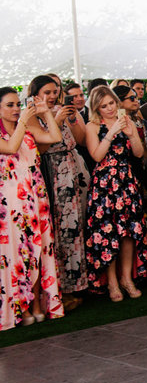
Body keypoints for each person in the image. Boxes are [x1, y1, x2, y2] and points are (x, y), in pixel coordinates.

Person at [0, 86, 64, 328]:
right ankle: (20, 306)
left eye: (18, 104)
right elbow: (9, 148)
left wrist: (46, 113)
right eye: (10, 105)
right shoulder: (14, 129)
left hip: (36, 196)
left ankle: (37, 304)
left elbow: (55, 138)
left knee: (39, 249)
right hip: (9, 203)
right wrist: (24, 121)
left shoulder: (27, 126)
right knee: (16, 253)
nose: (16, 109)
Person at [84, 85, 147, 301]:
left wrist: (131, 135)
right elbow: (96, 156)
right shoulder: (92, 126)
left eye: (111, 103)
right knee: (108, 234)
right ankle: (112, 282)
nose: (110, 109)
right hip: (104, 184)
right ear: (96, 108)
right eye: (104, 106)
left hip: (126, 180)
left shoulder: (126, 121)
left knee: (129, 231)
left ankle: (126, 278)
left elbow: (139, 153)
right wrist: (111, 134)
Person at [31, 76, 89, 311]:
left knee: (75, 227)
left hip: (72, 171)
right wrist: (53, 119)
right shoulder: (31, 115)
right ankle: (59, 290)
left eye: (56, 91)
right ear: (35, 93)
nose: (53, 95)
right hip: (50, 172)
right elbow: (40, 148)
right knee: (58, 230)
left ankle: (77, 284)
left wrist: (72, 118)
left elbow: (80, 139)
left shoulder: (63, 110)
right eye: (47, 91)